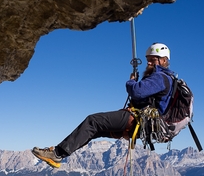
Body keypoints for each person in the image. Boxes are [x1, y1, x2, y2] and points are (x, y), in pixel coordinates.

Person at [32, 43, 175, 168]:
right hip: (144, 122)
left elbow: (137, 92)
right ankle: (59, 154)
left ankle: (57, 153)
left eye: (152, 60)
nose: (149, 63)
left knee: (93, 121)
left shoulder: (160, 77)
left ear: (163, 60)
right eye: (148, 60)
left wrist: (132, 81)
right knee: (95, 129)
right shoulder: (164, 78)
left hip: (139, 120)